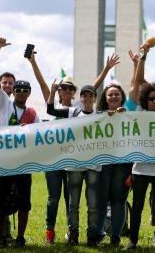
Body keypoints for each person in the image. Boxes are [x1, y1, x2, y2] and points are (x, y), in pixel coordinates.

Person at [0, 46, 40, 249]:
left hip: (24, 163)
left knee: (24, 202)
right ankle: (0, 235)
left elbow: (41, 136)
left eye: (25, 91)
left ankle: (20, 237)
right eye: (18, 90)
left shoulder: (33, 114)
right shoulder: (4, 105)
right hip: (4, 161)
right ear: (13, 91)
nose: (22, 93)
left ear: (29, 93)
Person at [47, 82, 103, 246]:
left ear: (94, 98)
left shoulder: (101, 115)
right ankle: (73, 234)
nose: (87, 98)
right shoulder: (73, 112)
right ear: (80, 98)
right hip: (74, 166)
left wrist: (119, 112)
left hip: (94, 166)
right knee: (74, 204)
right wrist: (52, 92)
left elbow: (119, 120)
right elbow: (50, 110)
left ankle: (92, 236)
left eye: (90, 95)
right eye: (84, 95)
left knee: (92, 205)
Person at [124, 81, 155, 250]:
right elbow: (134, 84)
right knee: (137, 206)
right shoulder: (139, 113)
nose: (154, 102)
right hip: (140, 168)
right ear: (146, 100)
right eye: (151, 99)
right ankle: (132, 241)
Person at [96, 83, 131, 247]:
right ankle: (99, 233)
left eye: (117, 94)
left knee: (119, 201)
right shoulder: (98, 116)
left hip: (122, 165)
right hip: (103, 165)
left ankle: (116, 236)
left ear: (122, 97)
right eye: (110, 94)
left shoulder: (130, 115)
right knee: (102, 201)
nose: (114, 97)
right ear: (105, 98)